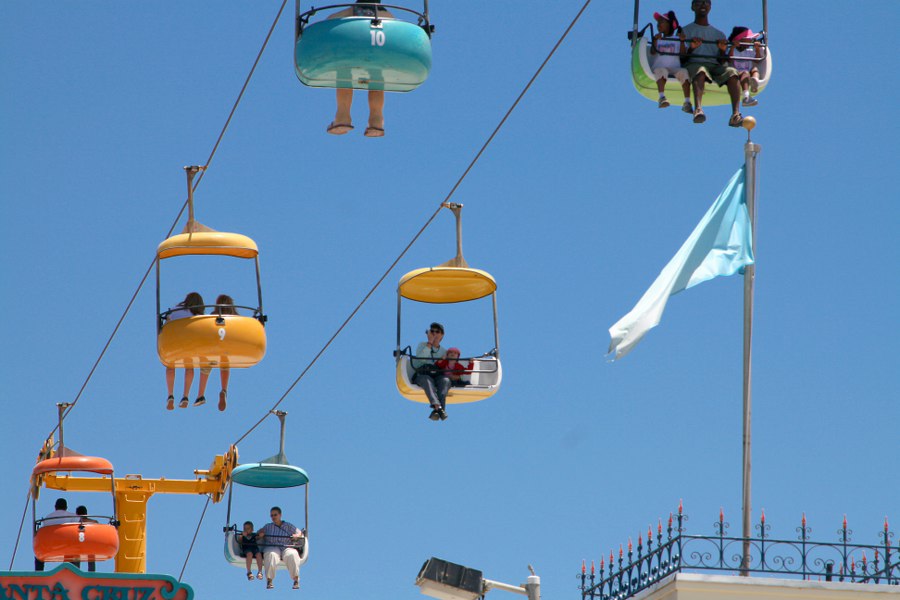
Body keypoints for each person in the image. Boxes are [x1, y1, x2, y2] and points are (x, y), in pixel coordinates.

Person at [325, 1, 395, 138]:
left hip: (352, 50)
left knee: (344, 73)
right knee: (376, 77)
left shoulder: (350, 12)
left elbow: (328, 22)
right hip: (377, 50)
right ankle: (376, 121)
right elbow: (396, 31)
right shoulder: (387, 15)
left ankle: (342, 117)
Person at [680, 0, 744, 127]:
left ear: (710, 6)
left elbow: (721, 61)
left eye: (706, 3)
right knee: (701, 70)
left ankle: (735, 114)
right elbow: (682, 59)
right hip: (694, 63)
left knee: (732, 72)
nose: (703, 5)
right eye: (699, 3)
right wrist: (692, 48)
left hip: (714, 66)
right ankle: (698, 109)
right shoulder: (685, 30)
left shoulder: (718, 34)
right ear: (693, 7)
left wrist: (721, 50)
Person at [164, 292, 205, 410]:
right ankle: (185, 395)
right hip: (189, 345)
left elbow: (167, 323)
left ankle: (170, 395)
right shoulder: (198, 315)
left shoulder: (175, 309)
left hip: (174, 343)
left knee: (170, 367)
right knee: (189, 368)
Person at [196, 294, 237, 411]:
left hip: (213, 347)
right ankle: (224, 389)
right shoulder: (236, 318)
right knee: (225, 364)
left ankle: (201, 394)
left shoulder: (212, 316)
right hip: (227, 347)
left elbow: (205, 331)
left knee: (205, 366)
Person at [649, 10, 692, 113]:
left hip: (674, 68)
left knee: (684, 72)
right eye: (658, 22)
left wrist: (682, 42)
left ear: (670, 24)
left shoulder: (677, 39)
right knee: (661, 71)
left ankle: (687, 102)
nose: (659, 24)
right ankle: (662, 97)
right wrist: (655, 41)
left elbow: (683, 54)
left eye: (662, 22)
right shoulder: (658, 39)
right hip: (660, 67)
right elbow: (652, 52)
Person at [258, 507, 305, 590]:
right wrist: (260, 534)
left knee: (292, 554)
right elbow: (259, 533)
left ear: (280, 515)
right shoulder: (268, 526)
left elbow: (299, 533)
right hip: (272, 546)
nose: (273, 517)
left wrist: (296, 536)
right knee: (271, 554)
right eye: (271, 515)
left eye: (275, 515)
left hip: (286, 546)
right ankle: (269, 580)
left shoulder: (288, 526)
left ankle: (296, 579)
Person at [411, 322, 450, 421]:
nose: (435, 333)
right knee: (427, 380)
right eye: (432, 331)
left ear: (442, 335)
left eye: (437, 331)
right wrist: (430, 342)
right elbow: (421, 359)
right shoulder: (423, 345)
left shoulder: (444, 351)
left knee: (445, 380)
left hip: (437, 375)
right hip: (423, 373)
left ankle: (437, 410)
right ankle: (439, 407)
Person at [35, 498, 79, 571]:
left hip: (50, 545)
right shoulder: (72, 516)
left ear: (55, 507)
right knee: (75, 551)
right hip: (66, 545)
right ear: (66, 507)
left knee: (38, 555)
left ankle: (39, 572)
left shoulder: (47, 518)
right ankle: (71, 571)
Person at [728, 26, 762, 107]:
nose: (750, 41)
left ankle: (755, 81)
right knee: (745, 73)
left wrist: (757, 49)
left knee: (755, 69)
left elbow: (757, 60)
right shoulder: (732, 50)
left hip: (747, 72)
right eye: (748, 39)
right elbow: (729, 59)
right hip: (737, 72)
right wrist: (733, 47)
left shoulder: (749, 51)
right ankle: (746, 97)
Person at [75, 506, 97, 572]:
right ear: (86, 513)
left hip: (78, 545)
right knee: (91, 555)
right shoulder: (94, 522)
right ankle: (92, 573)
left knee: (76, 555)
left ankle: (76, 572)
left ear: (77, 514)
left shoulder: (73, 523)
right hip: (90, 544)